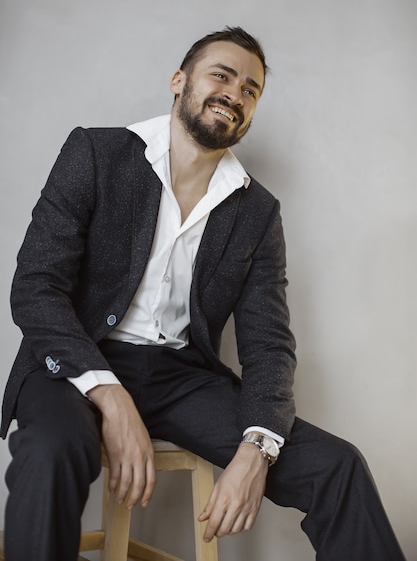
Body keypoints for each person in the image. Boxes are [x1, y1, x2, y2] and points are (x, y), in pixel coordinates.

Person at [1, 27, 405, 561]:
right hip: (75, 359)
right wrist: (110, 393)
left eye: (251, 90)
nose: (235, 94)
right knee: (53, 450)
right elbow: (36, 286)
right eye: (222, 75)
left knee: (338, 465)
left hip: (178, 379)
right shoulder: (97, 153)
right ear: (179, 80)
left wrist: (257, 447)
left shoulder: (257, 212)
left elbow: (268, 345)